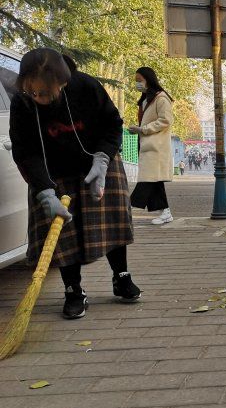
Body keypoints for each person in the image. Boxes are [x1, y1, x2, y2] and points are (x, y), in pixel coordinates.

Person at [9, 49, 141, 319]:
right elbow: (25, 151)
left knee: (110, 221)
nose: (39, 100)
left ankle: (121, 276)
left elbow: (113, 124)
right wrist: (45, 192)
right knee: (62, 233)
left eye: (45, 93)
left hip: (96, 161)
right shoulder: (22, 103)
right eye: (33, 93)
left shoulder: (86, 86)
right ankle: (73, 290)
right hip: (53, 171)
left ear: (63, 83)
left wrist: (102, 161)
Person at [128, 67, 174, 225]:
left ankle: (125, 209)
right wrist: (139, 129)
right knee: (155, 181)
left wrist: (143, 129)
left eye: (140, 80)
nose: (138, 84)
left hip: (156, 147)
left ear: (149, 79)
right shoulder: (146, 99)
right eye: (136, 81)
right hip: (147, 145)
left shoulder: (161, 98)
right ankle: (165, 212)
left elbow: (166, 120)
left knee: (147, 181)